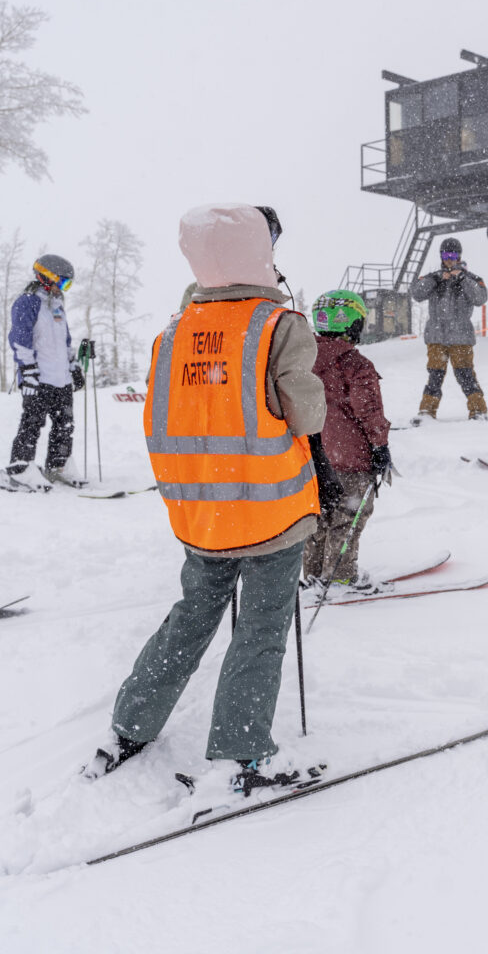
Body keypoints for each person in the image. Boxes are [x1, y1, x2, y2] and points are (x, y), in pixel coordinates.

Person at [89, 203, 335, 792]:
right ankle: (241, 752)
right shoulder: (279, 326)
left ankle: (130, 724)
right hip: (272, 513)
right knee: (261, 628)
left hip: (202, 514)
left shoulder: (171, 334)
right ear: (262, 253)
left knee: (190, 618)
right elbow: (307, 412)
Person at [302, 289, 392, 591]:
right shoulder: (355, 364)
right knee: (349, 516)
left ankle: (314, 573)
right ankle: (340, 576)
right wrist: (380, 446)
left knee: (318, 518)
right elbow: (369, 411)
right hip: (351, 458)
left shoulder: (302, 361)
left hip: (313, 459)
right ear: (352, 323)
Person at [2, 254, 84, 490]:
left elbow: (65, 341)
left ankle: (59, 465)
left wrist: (73, 366)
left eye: (67, 285)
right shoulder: (28, 302)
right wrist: (27, 370)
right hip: (39, 378)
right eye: (63, 283)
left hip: (61, 379)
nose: (64, 289)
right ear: (48, 277)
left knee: (65, 424)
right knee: (32, 423)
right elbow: (20, 339)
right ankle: (20, 468)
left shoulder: (57, 306)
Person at [411, 237, 488, 421]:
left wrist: (461, 278)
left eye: (453, 255)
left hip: (461, 337)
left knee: (465, 374)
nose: (449, 259)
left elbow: (480, 298)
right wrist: (436, 278)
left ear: (459, 256)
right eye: (446, 254)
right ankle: (427, 412)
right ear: (441, 256)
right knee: (435, 375)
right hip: (436, 336)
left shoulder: (471, 279)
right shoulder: (433, 278)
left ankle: (478, 410)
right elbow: (417, 293)